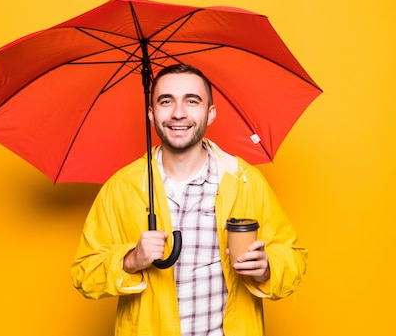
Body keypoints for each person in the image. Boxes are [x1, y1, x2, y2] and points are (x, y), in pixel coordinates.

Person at [71, 64, 307, 336]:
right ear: (151, 113)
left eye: (192, 101)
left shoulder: (245, 182)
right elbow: (84, 273)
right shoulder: (121, 187)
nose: (178, 113)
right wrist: (130, 260)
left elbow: (293, 258)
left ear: (210, 113)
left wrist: (267, 268)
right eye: (166, 101)